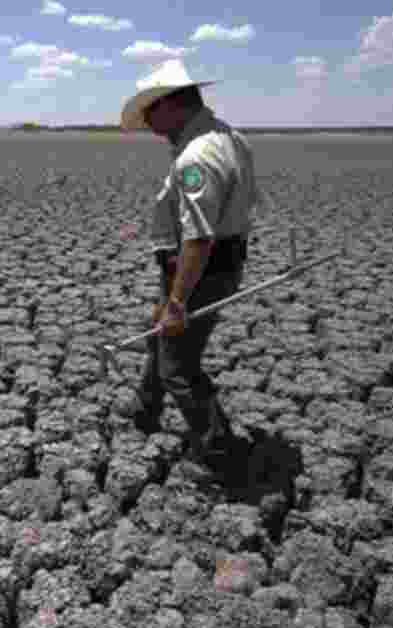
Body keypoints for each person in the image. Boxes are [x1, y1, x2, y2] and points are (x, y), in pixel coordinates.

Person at [118, 60, 259, 467]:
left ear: (171, 104)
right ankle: (145, 409)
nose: (147, 122)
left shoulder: (196, 156)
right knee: (157, 336)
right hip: (207, 266)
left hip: (200, 272)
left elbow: (199, 236)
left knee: (178, 367)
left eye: (150, 112)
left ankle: (219, 451)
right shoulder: (229, 137)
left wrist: (178, 300)